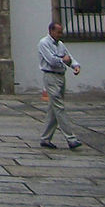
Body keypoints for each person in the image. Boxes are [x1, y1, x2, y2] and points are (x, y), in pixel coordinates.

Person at [38, 21, 82, 150]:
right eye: (58, 32)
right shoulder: (43, 43)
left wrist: (75, 65)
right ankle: (71, 138)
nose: (60, 34)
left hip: (60, 76)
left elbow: (69, 57)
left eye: (61, 32)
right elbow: (51, 60)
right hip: (50, 76)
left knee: (54, 109)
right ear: (51, 31)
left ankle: (45, 138)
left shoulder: (60, 44)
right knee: (59, 107)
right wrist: (63, 60)